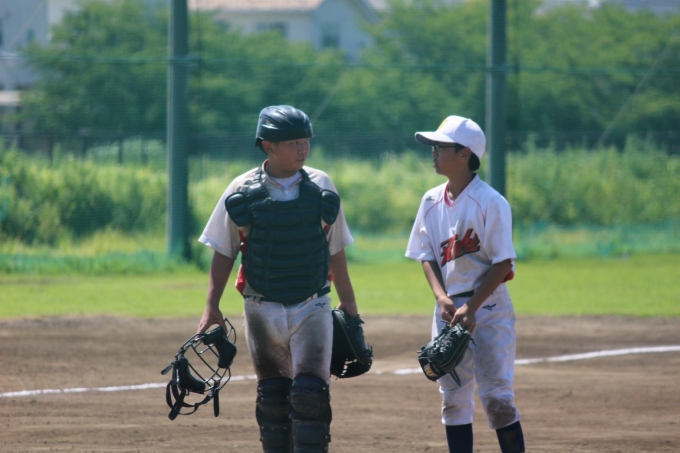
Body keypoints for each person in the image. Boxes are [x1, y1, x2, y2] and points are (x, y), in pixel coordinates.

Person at [196, 105, 359, 453]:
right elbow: (224, 251)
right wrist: (211, 306)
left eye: (306, 141)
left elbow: (336, 247)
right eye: (293, 143)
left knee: (311, 394)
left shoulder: (321, 184)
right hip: (261, 305)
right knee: (273, 397)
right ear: (268, 146)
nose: (303, 149)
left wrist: (349, 302)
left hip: (312, 302)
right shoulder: (241, 188)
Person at [405, 116, 526, 453]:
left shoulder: (490, 202)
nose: (433, 151)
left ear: (464, 154)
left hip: (488, 308)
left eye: (441, 146)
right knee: (453, 399)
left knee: (498, 399)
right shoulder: (430, 201)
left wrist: (472, 306)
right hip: (447, 311)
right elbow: (426, 254)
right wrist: (441, 297)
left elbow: (503, 262)